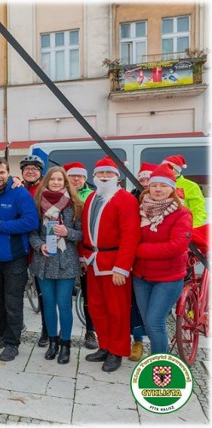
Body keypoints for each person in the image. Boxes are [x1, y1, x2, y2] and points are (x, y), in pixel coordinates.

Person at [80, 156, 140, 373]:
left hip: (114, 265)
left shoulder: (125, 199)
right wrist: (83, 257)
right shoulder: (92, 198)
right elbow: (87, 231)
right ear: (94, 177)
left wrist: (122, 267)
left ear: (117, 177)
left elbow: (130, 236)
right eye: (100, 173)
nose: (104, 177)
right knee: (97, 308)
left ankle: (117, 350)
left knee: (117, 310)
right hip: (94, 261)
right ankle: (104, 345)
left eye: (109, 173)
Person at [0, 158, 39, 362]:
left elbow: (32, 221)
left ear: (9, 173)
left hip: (14, 257)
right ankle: (2, 334)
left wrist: (2, 225)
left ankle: (12, 343)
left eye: (2, 173)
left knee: (12, 302)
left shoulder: (19, 192)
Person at [133, 163, 192, 355]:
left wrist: (139, 250)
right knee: (147, 321)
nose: (158, 189)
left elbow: (177, 246)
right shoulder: (141, 208)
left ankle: (160, 367)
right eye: (154, 184)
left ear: (172, 189)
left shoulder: (181, 213)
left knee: (155, 322)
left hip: (168, 278)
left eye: (164, 185)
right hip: (142, 276)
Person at [29, 167, 83, 364]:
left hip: (65, 261)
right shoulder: (37, 203)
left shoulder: (75, 204)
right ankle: (53, 341)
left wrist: (67, 232)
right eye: (53, 179)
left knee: (64, 305)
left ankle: (66, 344)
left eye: (60, 179)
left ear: (65, 182)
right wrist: (39, 245)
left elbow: (82, 234)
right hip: (44, 260)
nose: (57, 182)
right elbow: (32, 233)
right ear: (47, 181)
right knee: (49, 305)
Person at [63, 161, 97, 350]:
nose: (76, 179)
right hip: (65, 251)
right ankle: (63, 329)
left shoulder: (92, 196)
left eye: (80, 176)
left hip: (85, 251)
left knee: (88, 293)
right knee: (64, 293)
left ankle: (90, 331)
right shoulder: (61, 194)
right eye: (73, 175)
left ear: (85, 178)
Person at [19, 154, 49, 347]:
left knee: (43, 293)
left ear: (40, 173)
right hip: (20, 248)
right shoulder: (17, 188)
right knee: (15, 290)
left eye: (35, 169)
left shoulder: (44, 191)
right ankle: (16, 325)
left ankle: (47, 330)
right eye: (27, 168)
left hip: (40, 249)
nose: (30, 171)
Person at [128, 162, 156, 361]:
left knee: (156, 310)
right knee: (136, 304)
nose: (145, 182)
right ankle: (137, 341)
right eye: (142, 179)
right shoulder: (131, 198)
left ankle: (158, 344)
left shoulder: (168, 202)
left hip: (159, 261)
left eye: (149, 179)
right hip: (136, 261)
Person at [162, 155, 207, 228]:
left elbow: (198, 211)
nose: (163, 168)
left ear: (177, 169)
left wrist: (192, 229)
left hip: (183, 228)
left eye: (168, 166)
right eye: (162, 166)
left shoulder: (191, 186)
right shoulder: (157, 183)